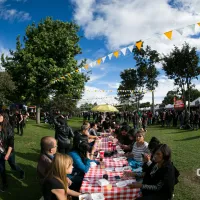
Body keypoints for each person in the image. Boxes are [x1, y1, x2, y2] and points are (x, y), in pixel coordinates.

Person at [0, 111, 24, 192]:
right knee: (2, 169)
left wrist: (7, 154)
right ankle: (5, 185)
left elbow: (11, 144)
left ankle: (21, 172)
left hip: (8, 152)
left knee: (13, 166)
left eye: (0, 116)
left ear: (4, 117)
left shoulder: (9, 129)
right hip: (0, 153)